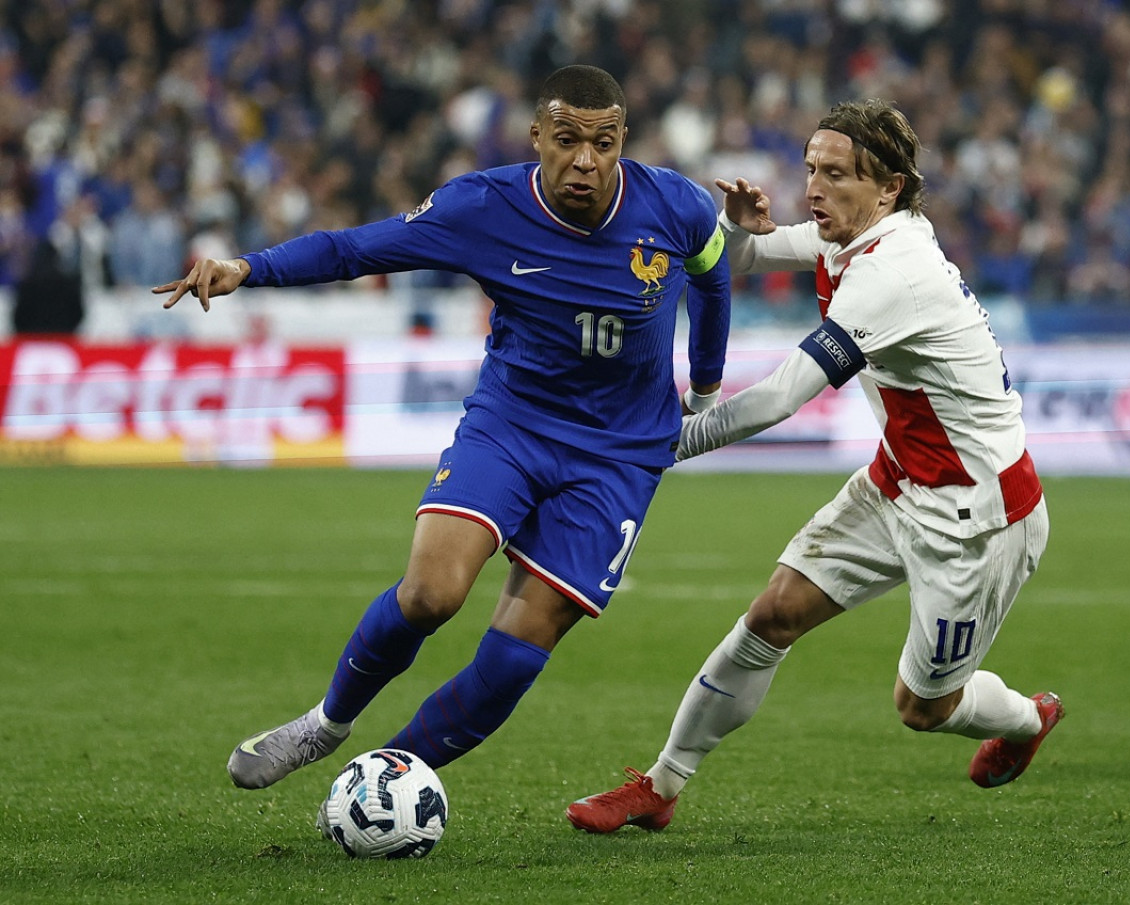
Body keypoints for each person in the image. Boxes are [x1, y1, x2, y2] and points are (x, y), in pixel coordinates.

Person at [154, 65, 731, 789]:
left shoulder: (677, 206)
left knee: (516, 653)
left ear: (623, 143)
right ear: (536, 138)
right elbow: (355, 248)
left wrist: (705, 387)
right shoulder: (482, 208)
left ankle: (386, 775)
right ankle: (326, 722)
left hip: (619, 454)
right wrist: (250, 266)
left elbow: (713, 279)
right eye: (567, 141)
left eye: (604, 144)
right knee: (431, 593)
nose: (585, 160)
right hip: (514, 423)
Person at [566, 99, 1060, 834]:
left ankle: (1026, 718)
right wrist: (734, 225)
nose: (813, 190)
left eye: (834, 174)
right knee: (772, 614)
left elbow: (775, 401)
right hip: (897, 481)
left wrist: (659, 444)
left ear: (888, 187)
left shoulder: (895, 270)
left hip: (976, 516)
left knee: (923, 706)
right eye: (809, 170)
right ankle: (661, 785)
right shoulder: (851, 238)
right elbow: (745, 256)